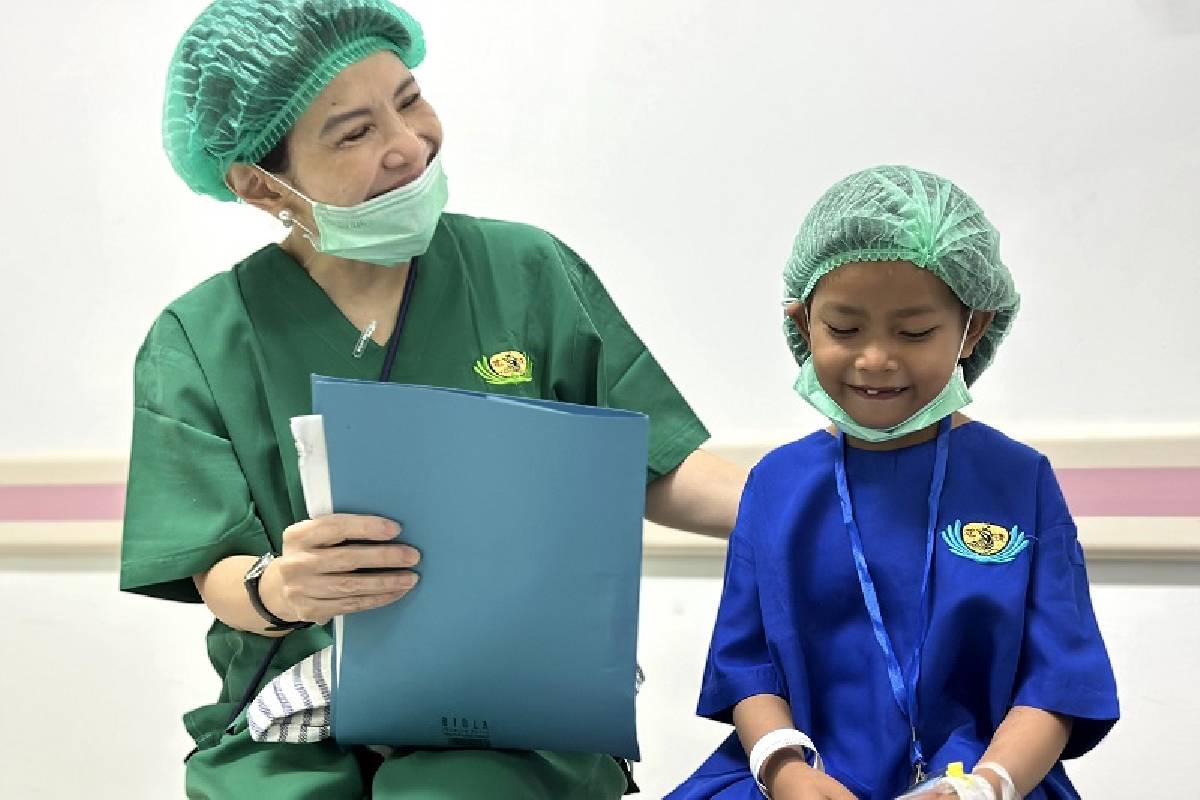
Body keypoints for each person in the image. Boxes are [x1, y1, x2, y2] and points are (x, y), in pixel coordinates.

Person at [118, 1, 746, 797]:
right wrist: (280, 587)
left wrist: (809, 505)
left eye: (409, 100)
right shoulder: (201, 338)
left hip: (506, 700)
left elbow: (649, 460)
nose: (408, 146)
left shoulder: (526, 272)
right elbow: (211, 561)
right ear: (257, 182)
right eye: (354, 132)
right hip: (290, 715)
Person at [667, 166, 1118, 800]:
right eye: (844, 330)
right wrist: (783, 768)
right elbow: (747, 668)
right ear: (803, 324)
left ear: (973, 329)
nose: (876, 358)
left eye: (914, 332)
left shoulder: (1021, 482)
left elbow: (1057, 683)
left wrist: (987, 784)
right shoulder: (776, 484)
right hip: (798, 775)